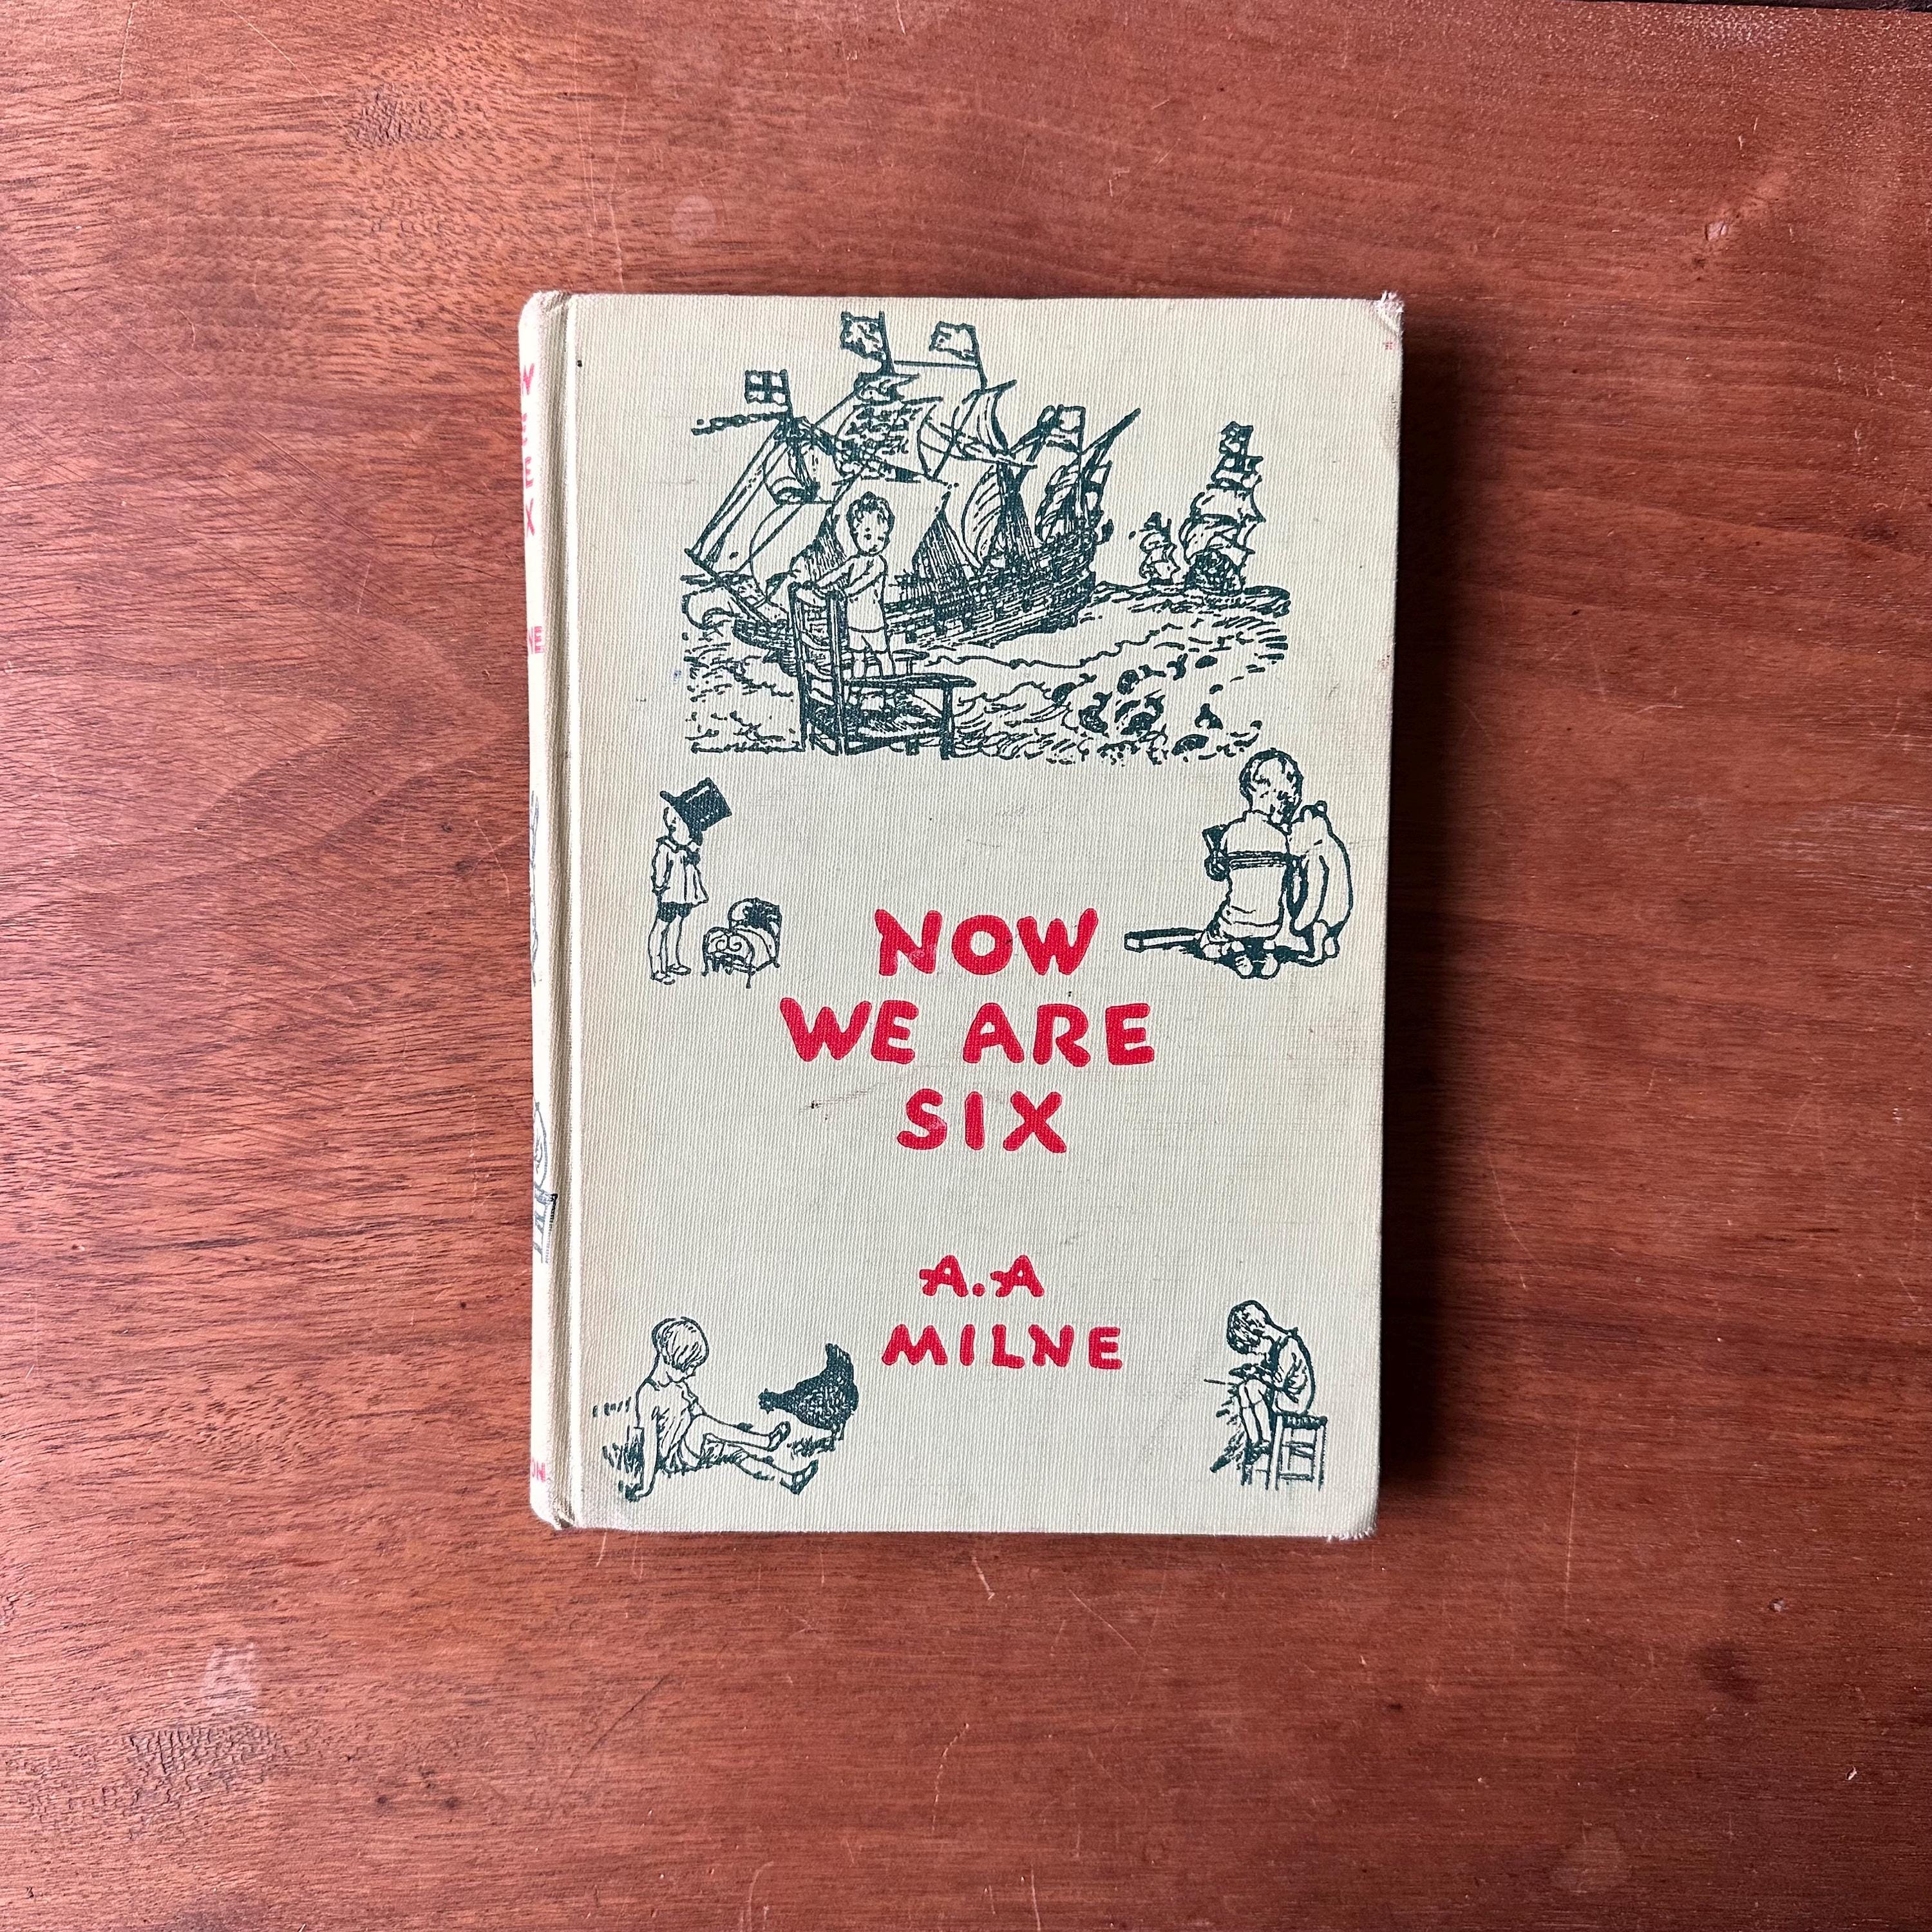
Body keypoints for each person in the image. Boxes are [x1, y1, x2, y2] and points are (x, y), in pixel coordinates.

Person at [616, 1318, 817, 1500]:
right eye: (689, 1366)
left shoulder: (679, 1386)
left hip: (697, 1444)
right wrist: (645, 1486)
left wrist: (722, 1435)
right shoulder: (649, 1394)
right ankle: (766, 1442)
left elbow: (698, 1412)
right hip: (675, 1456)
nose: (692, 1373)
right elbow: (650, 1443)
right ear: (671, 1359)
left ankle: (790, 1480)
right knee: (701, 1425)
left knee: (738, 1453)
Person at [1198, 748, 1302, 977]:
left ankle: (1231, 949)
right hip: (1271, 924)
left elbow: (1217, 872)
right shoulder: (1283, 839)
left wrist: (1215, 855)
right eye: (1284, 802)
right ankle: (1265, 952)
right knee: (1262, 924)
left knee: (1206, 944)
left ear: (1252, 789)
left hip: (1233, 922)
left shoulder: (1232, 832)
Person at [1211, 1299, 1316, 1484]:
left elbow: (1278, 1381)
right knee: (1244, 1389)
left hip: (1294, 1399)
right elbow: (1269, 1373)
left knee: (1253, 1387)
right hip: (1282, 1396)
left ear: (1258, 1332)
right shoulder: (1274, 1346)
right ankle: (1256, 1441)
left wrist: (1257, 1374)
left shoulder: (1287, 1345)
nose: (1256, 1352)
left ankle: (1265, 1441)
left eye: (1254, 1347)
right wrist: (1254, 1371)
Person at [807, 492, 899, 680]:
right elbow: (836, 573)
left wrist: (844, 592)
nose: (875, 544)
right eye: (868, 536)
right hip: (854, 621)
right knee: (858, 657)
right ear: (855, 533)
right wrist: (818, 585)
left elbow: (864, 582)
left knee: (882, 655)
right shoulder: (854, 561)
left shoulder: (878, 563)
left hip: (873, 621)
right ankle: (857, 689)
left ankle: (890, 689)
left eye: (881, 538)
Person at [649, 803, 706, 983]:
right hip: (671, 895)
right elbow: (660, 869)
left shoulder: (688, 847)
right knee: (661, 928)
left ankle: (673, 962)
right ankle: (657, 968)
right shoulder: (666, 846)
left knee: (677, 926)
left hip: (685, 895)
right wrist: (659, 887)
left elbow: (692, 867)